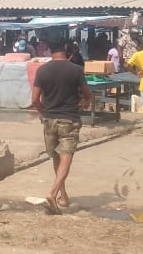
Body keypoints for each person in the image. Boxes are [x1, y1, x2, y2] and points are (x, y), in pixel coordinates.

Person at [30, 40, 92, 215]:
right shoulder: (75, 70)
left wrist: (43, 112)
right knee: (66, 157)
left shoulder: (42, 70)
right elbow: (87, 94)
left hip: (49, 120)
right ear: (66, 51)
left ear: (50, 51)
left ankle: (63, 196)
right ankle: (53, 193)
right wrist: (85, 102)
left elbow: (34, 99)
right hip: (69, 120)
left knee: (56, 157)